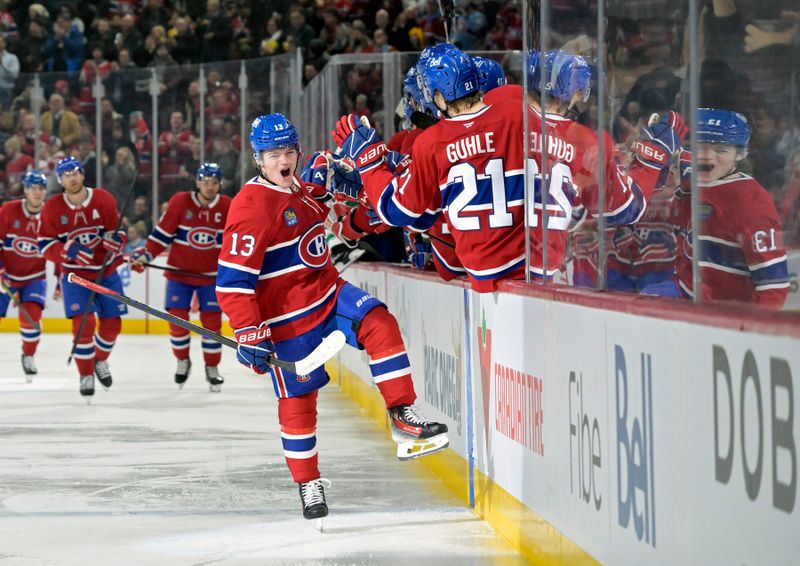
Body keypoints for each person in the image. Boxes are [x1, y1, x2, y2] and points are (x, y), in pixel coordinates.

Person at [216, 114, 448, 524]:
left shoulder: (303, 192)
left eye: (289, 152)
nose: (283, 162)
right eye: (273, 156)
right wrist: (249, 330)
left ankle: (402, 417)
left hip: (328, 294)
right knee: (299, 403)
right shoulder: (249, 207)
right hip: (287, 321)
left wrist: (348, 179)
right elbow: (233, 283)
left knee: (380, 323)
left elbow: (335, 204)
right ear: (258, 160)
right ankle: (308, 482)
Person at [647, 109, 790, 308]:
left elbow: (773, 285)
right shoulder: (691, 185)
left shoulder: (750, 201)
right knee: (649, 300)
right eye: (700, 147)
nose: (707, 157)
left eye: (721, 150)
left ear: (739, 155)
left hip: (727, 308)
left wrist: (752, 329)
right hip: (686, 291)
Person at [129, 163, 231, 390]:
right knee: (177, 321)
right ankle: (182, 361)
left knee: (212, 326)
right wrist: (145, 255)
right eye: (205, 181)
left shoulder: (228, 207)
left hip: (212, 278)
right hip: (179, 276)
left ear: (219, 184)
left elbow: (235, 243)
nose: (210, 186)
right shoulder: (180, 202)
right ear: (197, 182)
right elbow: (160, 236)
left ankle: (212, 367)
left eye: (214, 182)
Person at [38, 156, 128, 400]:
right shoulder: (53, 207)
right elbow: (44, 244)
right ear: (60, 180)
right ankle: (85, 374)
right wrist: (67, 250)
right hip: (75, 277)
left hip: (106, 272)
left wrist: (117, 241)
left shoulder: (103, 199)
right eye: (66, 174)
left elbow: (118, 232)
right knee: (82, 326)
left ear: (83, 174)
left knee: (112, 326)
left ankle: (99, 360)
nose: (72, 177)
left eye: (75, 172)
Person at [0, 171, 48, 378]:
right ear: (25, 190)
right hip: (6, 275)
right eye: (33, 188)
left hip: (34, 278)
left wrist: (59, 282)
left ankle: (28, 355)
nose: (37, 192)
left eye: (41, 188)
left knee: (32, 319)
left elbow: (58, 249)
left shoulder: (50, 215)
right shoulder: (9, 210)